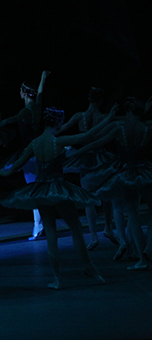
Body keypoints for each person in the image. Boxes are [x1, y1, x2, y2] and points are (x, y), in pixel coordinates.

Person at [0, 106, 116, 289]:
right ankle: (88, 266)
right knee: (75, 228)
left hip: (42, 189)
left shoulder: (35, 143)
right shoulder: (57, 141)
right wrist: (109, 119)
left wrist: (1, 173)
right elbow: (87, 136)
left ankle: (57, 277)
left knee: (51, 233)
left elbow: (15, 167)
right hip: (57, 188)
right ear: (58, 122)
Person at [73, 97, 152, 270]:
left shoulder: (120, 128)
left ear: (128, 112)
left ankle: (141, 257)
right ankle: (146, 249)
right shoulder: (147, 128)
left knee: (132, 214)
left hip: (126, 171)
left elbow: (97, 141)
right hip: (145, 170)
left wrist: (77, 153)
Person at [59, 88, 118, 250]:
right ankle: (108, 228)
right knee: (106, 194)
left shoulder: (80, 116)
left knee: (88, 197)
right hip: (101, 157)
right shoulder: (104, 118)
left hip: (85, 157)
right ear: (100, 101)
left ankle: (94, 236)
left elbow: (62, 128)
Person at [0, 71, 49, 240]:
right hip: (41, 150)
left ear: (25, 93)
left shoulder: (26, 111)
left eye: (20, 90)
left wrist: (2, 123)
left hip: (29, 153)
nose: (19, 93)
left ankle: (38, 225)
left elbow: (15, 118)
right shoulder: (38, 106)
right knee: (39, 188)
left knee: (33, 188)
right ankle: (42, 224)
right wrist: (43, 78)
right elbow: (40, 93)